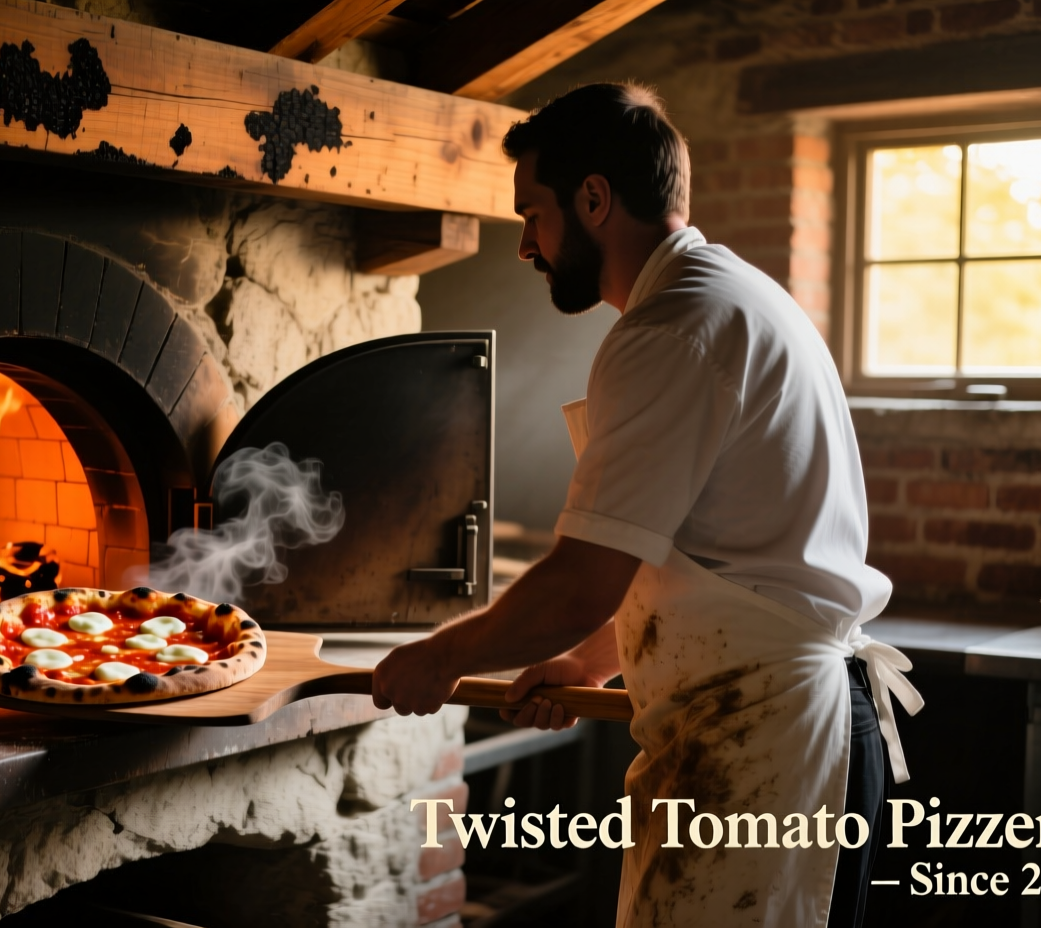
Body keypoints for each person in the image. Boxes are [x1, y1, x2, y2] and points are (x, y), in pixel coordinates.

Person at [370, 83, 922, 928]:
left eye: (534, 215)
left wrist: (441, 655)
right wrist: (590, 662)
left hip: (764, 743)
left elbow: (582, 579)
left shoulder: (675, 327)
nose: (526, 245)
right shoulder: (727, 296)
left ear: (595, 198)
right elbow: (681, 558)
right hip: (769, 728)